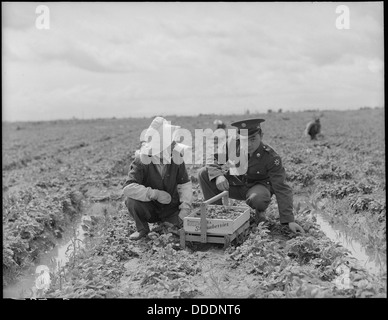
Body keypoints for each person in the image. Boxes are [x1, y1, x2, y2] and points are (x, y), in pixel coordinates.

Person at [198, 118, 305, 234]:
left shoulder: (271, 157)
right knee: (204, 173)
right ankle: (216, 214)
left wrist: (289, 220)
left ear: (261, 136)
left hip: (258, 189)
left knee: (257, 199)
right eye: (244, 140)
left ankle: (260, 211)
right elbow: (213, 159)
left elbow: (282, 188)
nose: (249, 144)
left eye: (253, 139)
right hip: (236, 184)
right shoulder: (232, 144)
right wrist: (218, 175)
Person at [123, 117, 192, 240]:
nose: (172, 146)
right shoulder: (142, 160)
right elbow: (128, 188)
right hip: (152, 209)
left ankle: (169, 223)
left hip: (172, 209)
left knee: (174, 231)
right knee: (131, 201)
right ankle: (142, 229)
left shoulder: (176, 157)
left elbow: (185, 184)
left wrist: (184, 210)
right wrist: (154, 194)